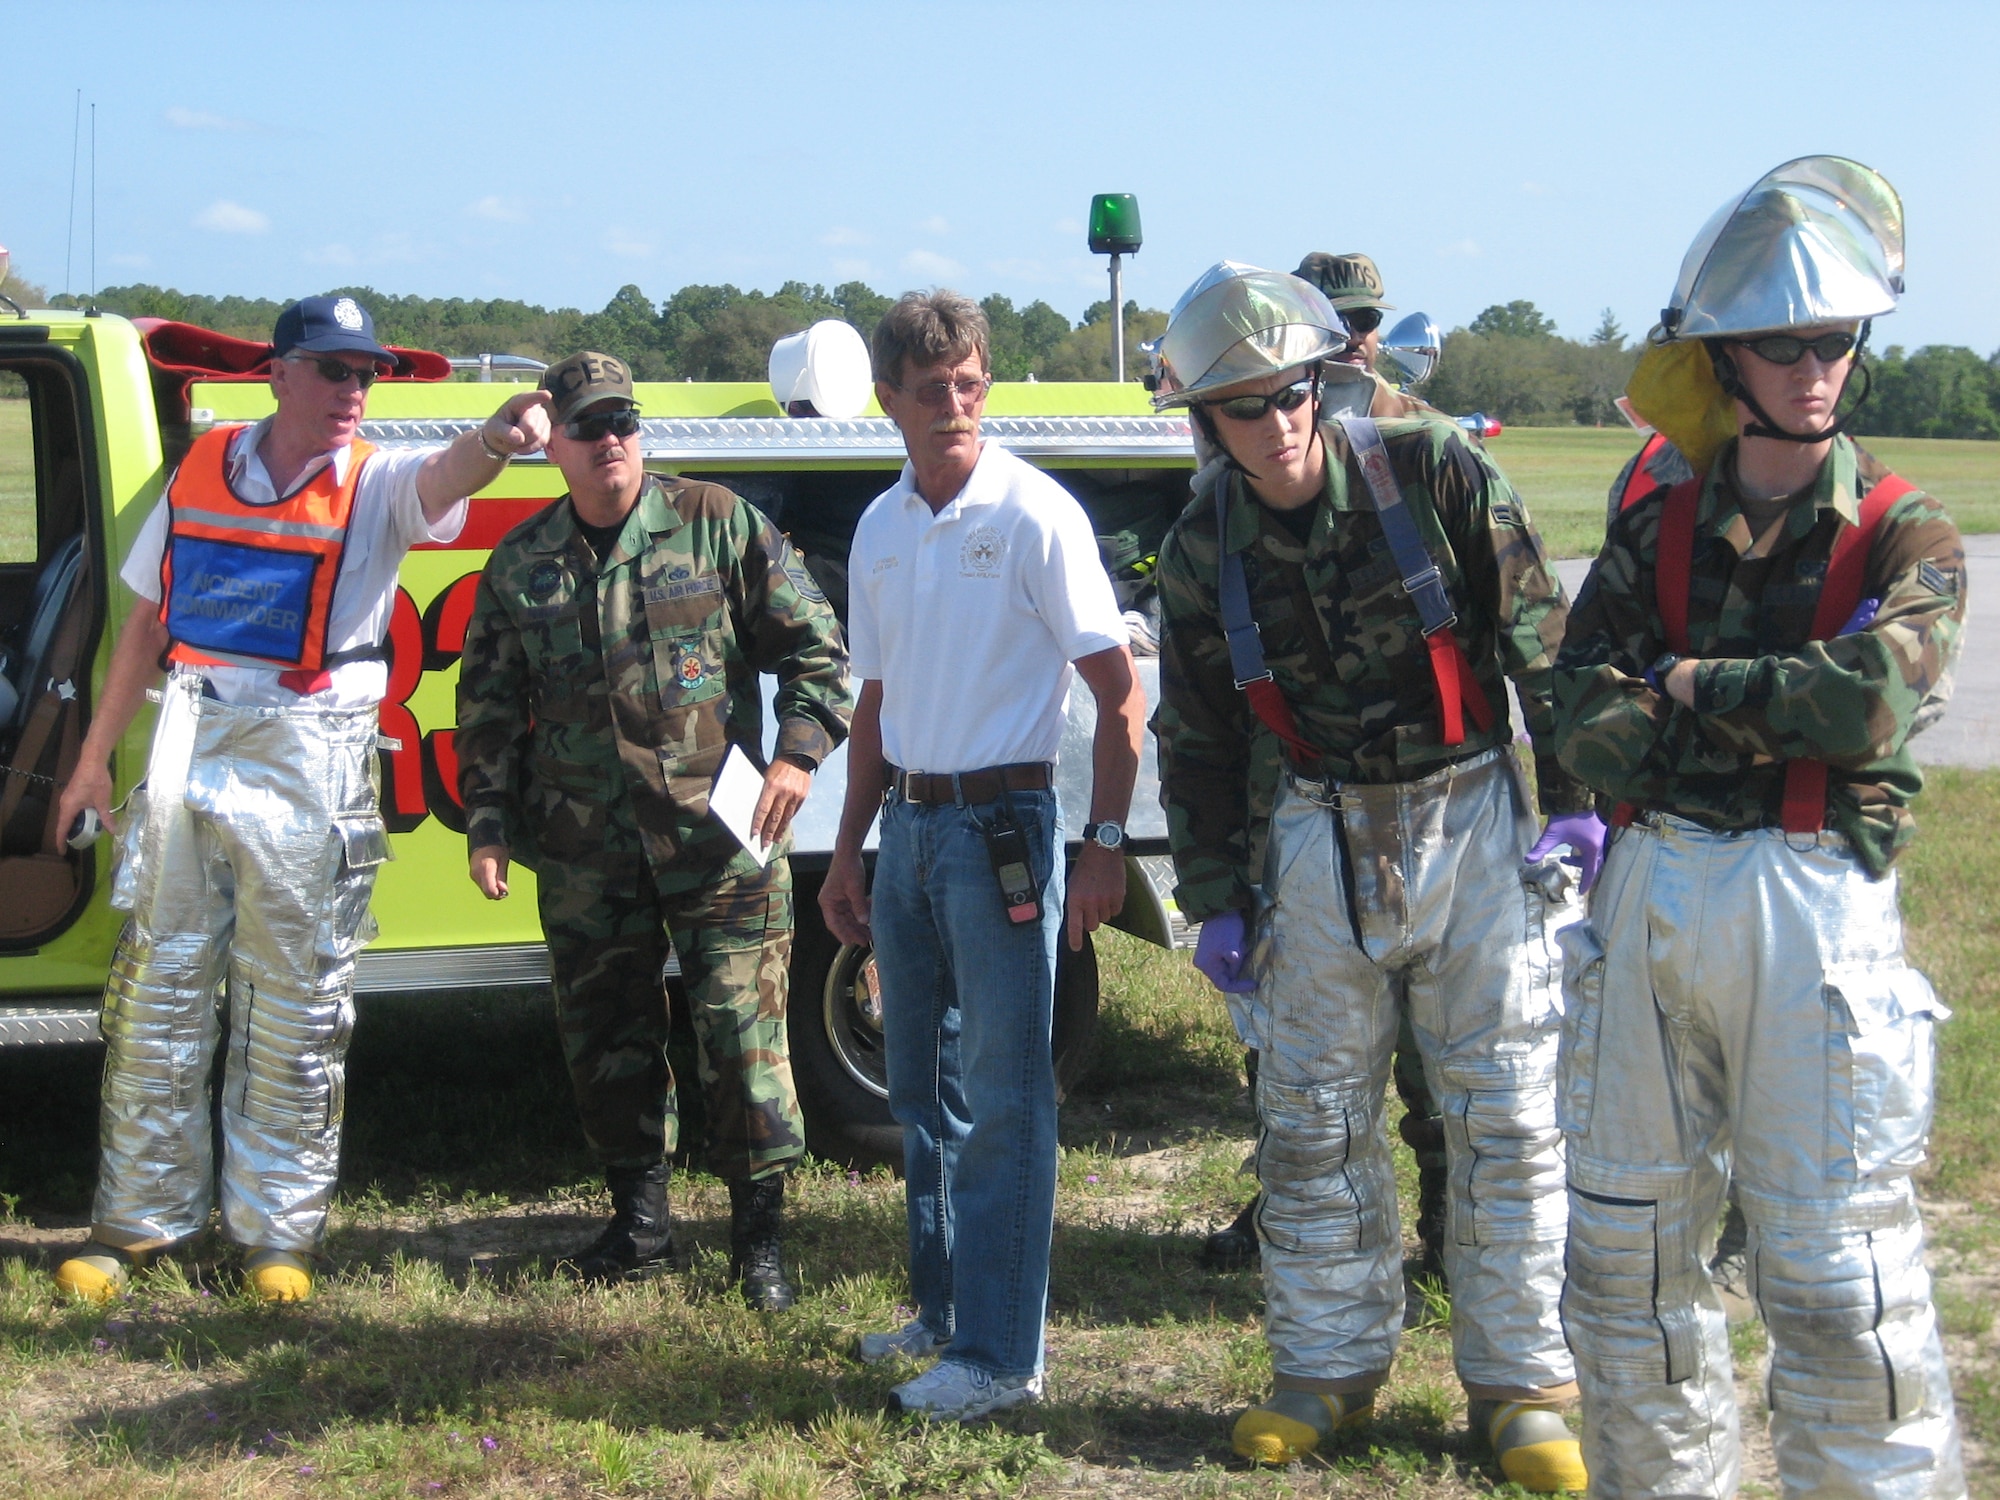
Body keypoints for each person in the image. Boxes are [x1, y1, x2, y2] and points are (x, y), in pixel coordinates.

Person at [1552, 155, 1967, 1498]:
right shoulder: (1654, 528)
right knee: (1629, 1266)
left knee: (1840, 1275)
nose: (1814, 365)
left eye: (1837, 339)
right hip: (1655, 896)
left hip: (1815, 916)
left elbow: (1864, 706)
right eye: (1783, 341)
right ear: (1724, 360)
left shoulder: (1911, 534)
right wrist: (1755, 704)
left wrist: (1682, 686)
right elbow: (1575, 719)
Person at [1149, 262, 1597, 1488]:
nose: (1278, 421)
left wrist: (1575, 808)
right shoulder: (1203, 544)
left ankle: (1523, 1385)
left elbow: (1535, 633)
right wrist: (1214, 897)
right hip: (1314, 829)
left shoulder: (1431, 469)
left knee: (1503, 1113)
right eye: (1245, 404)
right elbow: (1190, 731)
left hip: (1467, 818)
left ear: (1324, 381)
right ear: (1206, 419)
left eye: (1294, 391)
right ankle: (1324, 1369)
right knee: (1309, 1122)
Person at [51, 295, 550, 1304]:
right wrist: (95, 761)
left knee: (295, 1008)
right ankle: (139, 1226)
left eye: (364, 372)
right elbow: (146, 623)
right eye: (331, 370)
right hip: (194, 739)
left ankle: (276, 1233)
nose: (351, 389)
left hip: (309, 757)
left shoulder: (376, 482)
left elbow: (446, 475)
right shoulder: (201, 467)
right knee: (158, 994)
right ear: (277, 374)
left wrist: (497, 436)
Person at [455, 352, 851, 1309]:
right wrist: (490, 823)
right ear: (555, 442)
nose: (611, 444)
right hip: (587, 846)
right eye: (589, 429)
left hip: (720, 841)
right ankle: (640, 1224)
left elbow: (816, 647)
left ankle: (759, 1243)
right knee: (605, 1035)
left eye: (625, 423)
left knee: (741, 1034)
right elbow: (490, 705)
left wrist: (798, 755)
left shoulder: (715, 523)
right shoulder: (523, 562)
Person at [819, 289, 1144, 1421]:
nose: (953, 406)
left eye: (968, 385)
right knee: (920, 1087)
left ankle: (1004, 1359)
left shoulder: (1034, 515)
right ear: (886, 402)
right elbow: (873, 703)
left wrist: (1100, 844)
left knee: (1005, 1098)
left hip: (1004, 831)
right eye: (929, 390)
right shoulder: (879, 527)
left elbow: (1117, 695)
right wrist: (848, 850)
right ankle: (944, 1314)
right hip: (908, 826)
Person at [1202, 251, 1457, 1282]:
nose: (1354, 335)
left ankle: (1448, 1232)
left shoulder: (1409, 441)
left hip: (1420, 788)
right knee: (1292, 1038)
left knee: (1437, 1047)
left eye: (1366, 319)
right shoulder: (1242, 440)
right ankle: (1286, 1205)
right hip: (1291, 789)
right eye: (1337, 317)